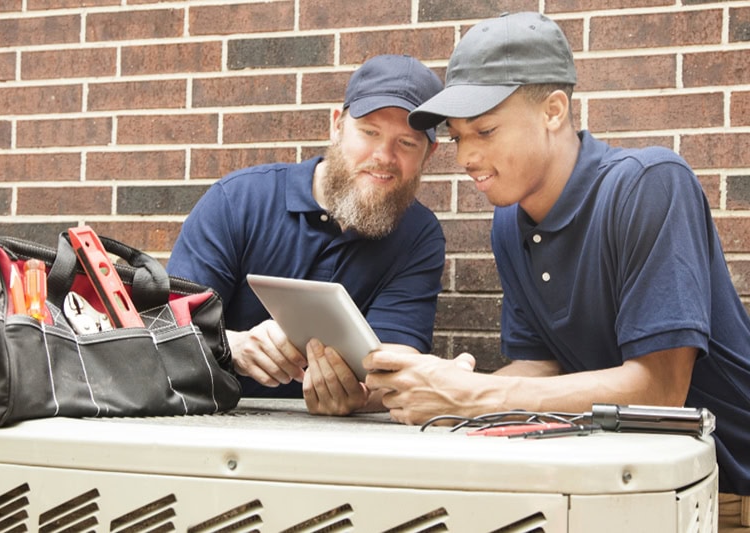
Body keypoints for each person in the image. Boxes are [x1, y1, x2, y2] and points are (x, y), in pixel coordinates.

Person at [362, 11, 750, 502]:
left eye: (484, 131)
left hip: (728, 487)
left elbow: (661, 390)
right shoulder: (510, 222)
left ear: (553, 111)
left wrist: (472, 397)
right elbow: (542, 366)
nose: (463, 158)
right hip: (622, 482)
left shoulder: (650, 184)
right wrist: (439, 386)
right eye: (458, 136)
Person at [167, 54, 446, 416]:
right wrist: (230, 347)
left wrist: (362, 398)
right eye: (369, 131)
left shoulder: (419, 235)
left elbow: (398, 362)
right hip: (210, 418)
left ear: (429, 154)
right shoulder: (238, 200)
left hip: (338, 443)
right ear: (336, 125)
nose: (384, 156)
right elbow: (165, 323)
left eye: (407, 143)